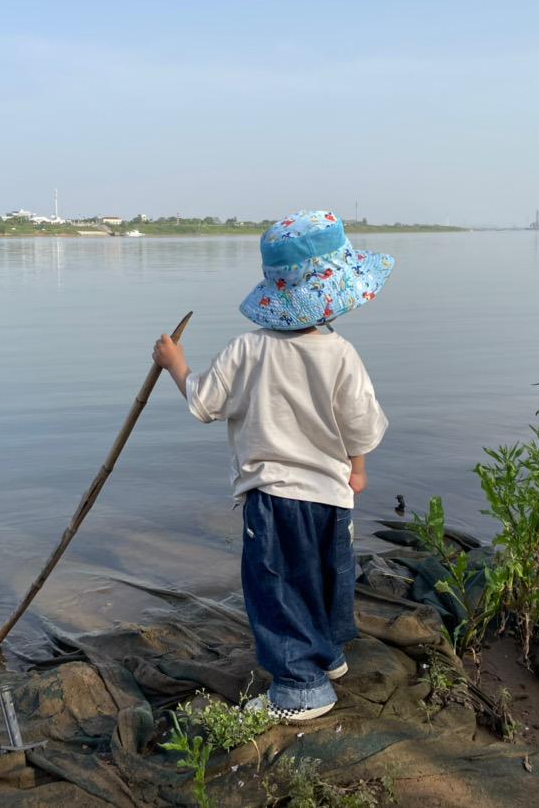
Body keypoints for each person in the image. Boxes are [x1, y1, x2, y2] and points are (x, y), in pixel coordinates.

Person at [152, 209, 394, 723]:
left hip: (274, 494)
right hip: (331, 494)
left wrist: (177, 364)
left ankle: (301, 688)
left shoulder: (247, 349)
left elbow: (204, 403)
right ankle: (327, 655)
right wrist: (358, 469)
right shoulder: (341, 353)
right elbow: (361, 423)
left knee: (277, 587)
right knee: (325, 575)